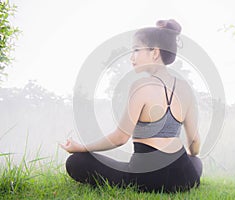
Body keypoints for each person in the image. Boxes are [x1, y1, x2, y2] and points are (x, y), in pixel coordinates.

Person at [60, 19, 203, 193]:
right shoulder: (185, 88)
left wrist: (82, 148)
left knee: (76, 161)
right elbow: (194, 142)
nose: (131, 57)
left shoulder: (141, 86)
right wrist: (188, 157)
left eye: (136, 50)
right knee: (195, 162)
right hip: (183, 176)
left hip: (146, 177)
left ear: (155, 52)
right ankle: (184, 171)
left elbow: (120, 137)